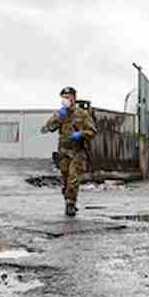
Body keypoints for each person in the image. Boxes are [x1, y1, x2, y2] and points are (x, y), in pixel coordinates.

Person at [41, 87, 97, 216]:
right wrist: (57, 118)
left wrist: (81, 134)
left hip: (77, 151)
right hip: (63, 151)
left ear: (74, 98)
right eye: (64, 97)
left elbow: (93, 131)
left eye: (69, 97)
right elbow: (46, 128)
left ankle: (70, 204)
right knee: (65, 179)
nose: (66, 99)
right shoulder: (60, 114)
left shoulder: (82, 114)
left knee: (73, 178)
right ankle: (68, 199)